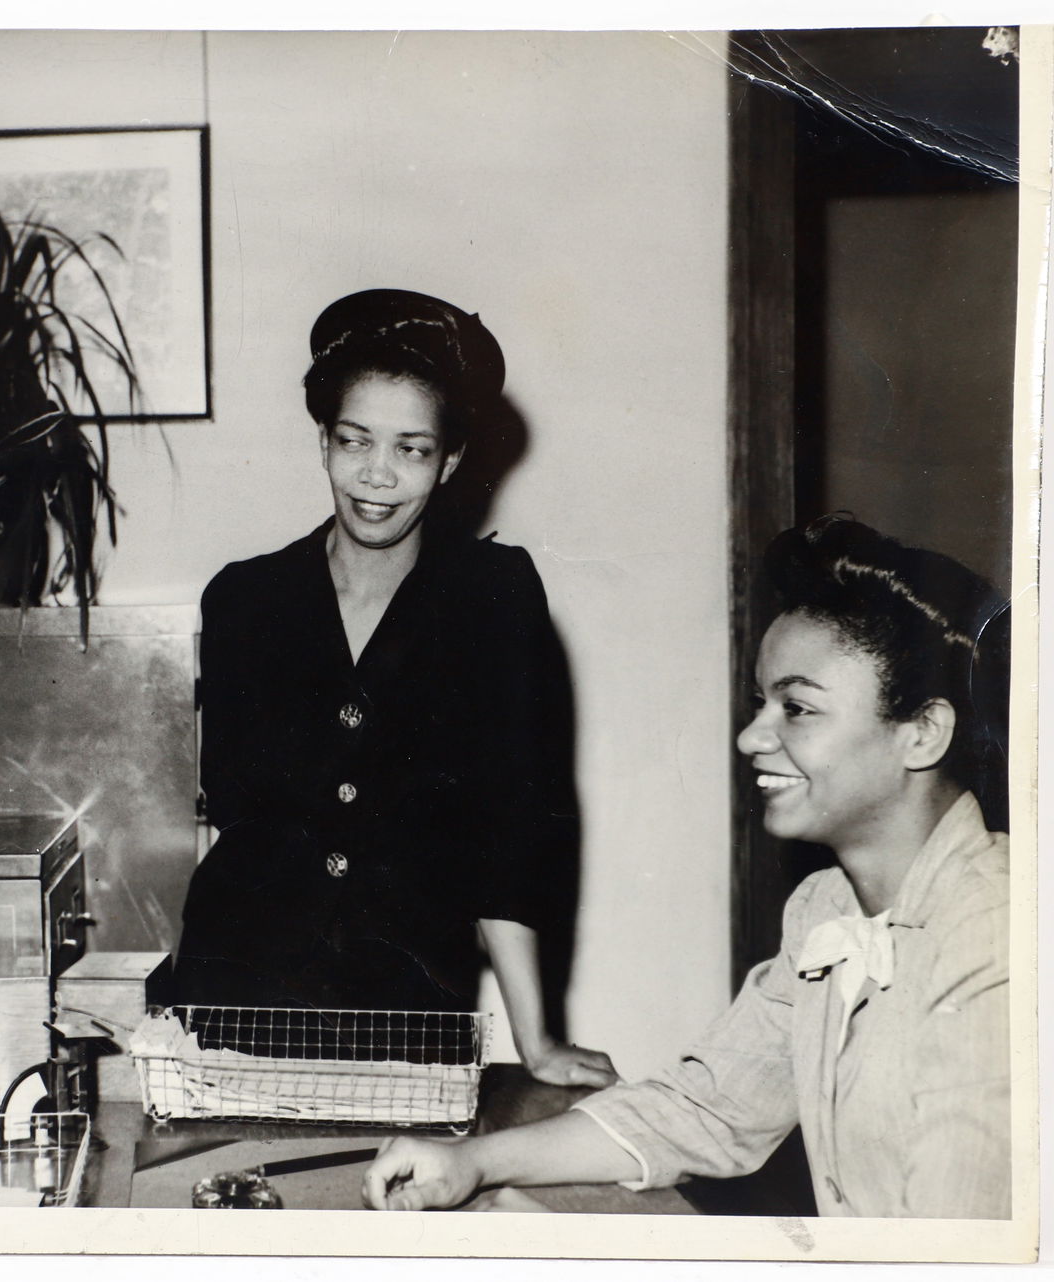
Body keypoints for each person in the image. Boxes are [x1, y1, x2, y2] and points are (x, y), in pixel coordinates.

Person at [362, 515, 1012, 1219]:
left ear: (922, 733)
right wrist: (471, 1162)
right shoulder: (825, 909)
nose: (750, 736)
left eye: (796, 708)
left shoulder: (1000, 938)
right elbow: (709, 1107)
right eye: (758, 702)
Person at [170, 288, 615, 1087]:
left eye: (411, 450)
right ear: (324, 443)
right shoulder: (242, 599)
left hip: (410, 1000)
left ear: (450, 461)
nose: (377, 476)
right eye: (355, 441)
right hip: (236, 992)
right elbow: (227, 821)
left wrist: (537, 1038)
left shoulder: (494, 597)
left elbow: (511, 831)